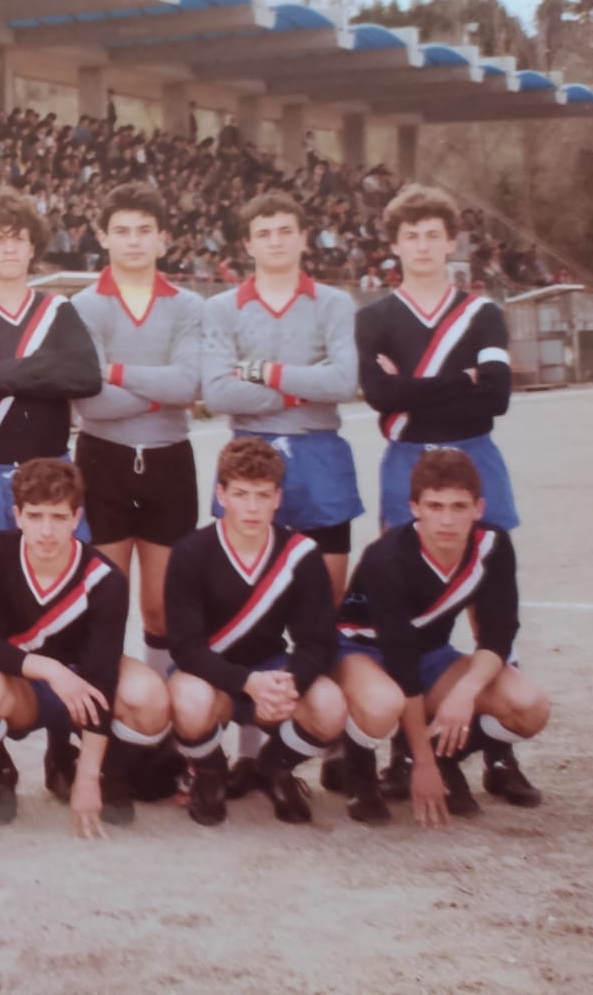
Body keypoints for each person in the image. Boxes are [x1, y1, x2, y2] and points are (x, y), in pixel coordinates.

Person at [202, 191, 363, 791]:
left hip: (320, 459)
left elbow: (343, 382)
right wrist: (303, 387)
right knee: (244, 606)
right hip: (250, 460)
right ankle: (250, 749)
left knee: (327, 607)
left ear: (303, 236)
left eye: (285, 230)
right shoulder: (223, 308)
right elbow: (217, 393)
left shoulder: (334, 303)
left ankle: (334, 744)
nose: (275, 240)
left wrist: (264, 373)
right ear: (247, 243)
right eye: (263, 232)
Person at [0, 459, 171, 835]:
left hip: (83, 688)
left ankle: (108, 773)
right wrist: (50, 670)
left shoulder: (105, 579)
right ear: (17, 516)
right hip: (22, 686)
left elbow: (102, 676)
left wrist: (88, 775)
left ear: (76, 518)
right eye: (35, 516)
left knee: (150, 696)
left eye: (58, 517)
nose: (47, 531)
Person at [336, 449, 549, 824]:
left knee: (529, 707)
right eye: (435, 506)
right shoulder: (386, 558)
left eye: (458, 506)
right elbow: (401, 662)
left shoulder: (493, 546)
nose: (447, 520)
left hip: (429, 653)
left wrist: (464, 693)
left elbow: (498, 634)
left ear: (478, 508)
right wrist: (423, 766)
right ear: (414, 508)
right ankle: (360, 769)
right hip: (360, 650)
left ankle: (443, 751)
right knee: (383, 704)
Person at [166, 438, 346, 827]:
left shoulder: (301, 554)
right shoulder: (191, 552)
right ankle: (209, 771)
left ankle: (272, 768)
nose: (252, 507)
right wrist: (247, 684)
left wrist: (289, 683)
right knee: (188, 701)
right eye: (241, 494)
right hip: (209, 673)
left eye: (263, 495)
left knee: (330, 706)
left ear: (278, 498)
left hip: (270, 666)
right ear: (221, 494)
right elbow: (185, 647)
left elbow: (318, 641)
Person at [71, 182, 204, 681]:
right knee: (105, 602)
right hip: (102, 460)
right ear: (103, 237)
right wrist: (164, 390)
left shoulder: (188, 306)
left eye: (144, 230)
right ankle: (105, 712)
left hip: (169, 460)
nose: (133, 240)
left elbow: (190, 384)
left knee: (162, 607)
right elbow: (91, 401)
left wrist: (117, 372)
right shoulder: (85, 306)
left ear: (162, 239)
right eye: (122, 230)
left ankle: (164, 715)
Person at [355, 185, 516, 533]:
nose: (423, 247)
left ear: (450, 242)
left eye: (432, 235)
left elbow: (496, 398)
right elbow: (381, 396)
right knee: (401, 563)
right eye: (411, 236)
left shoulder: (484, 314)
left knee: (486, 562)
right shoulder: (372, 319)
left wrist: (407, 390)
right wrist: (464, 380)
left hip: (474, 455)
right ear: (395, 245)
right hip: (407, 459)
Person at [0, 189, 101, 556]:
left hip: (51, 470)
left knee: (59, 580)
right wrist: (45, 367)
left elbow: (86, 377)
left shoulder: (58, 310)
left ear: (33, 248)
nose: (10, 249)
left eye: (18, 239)